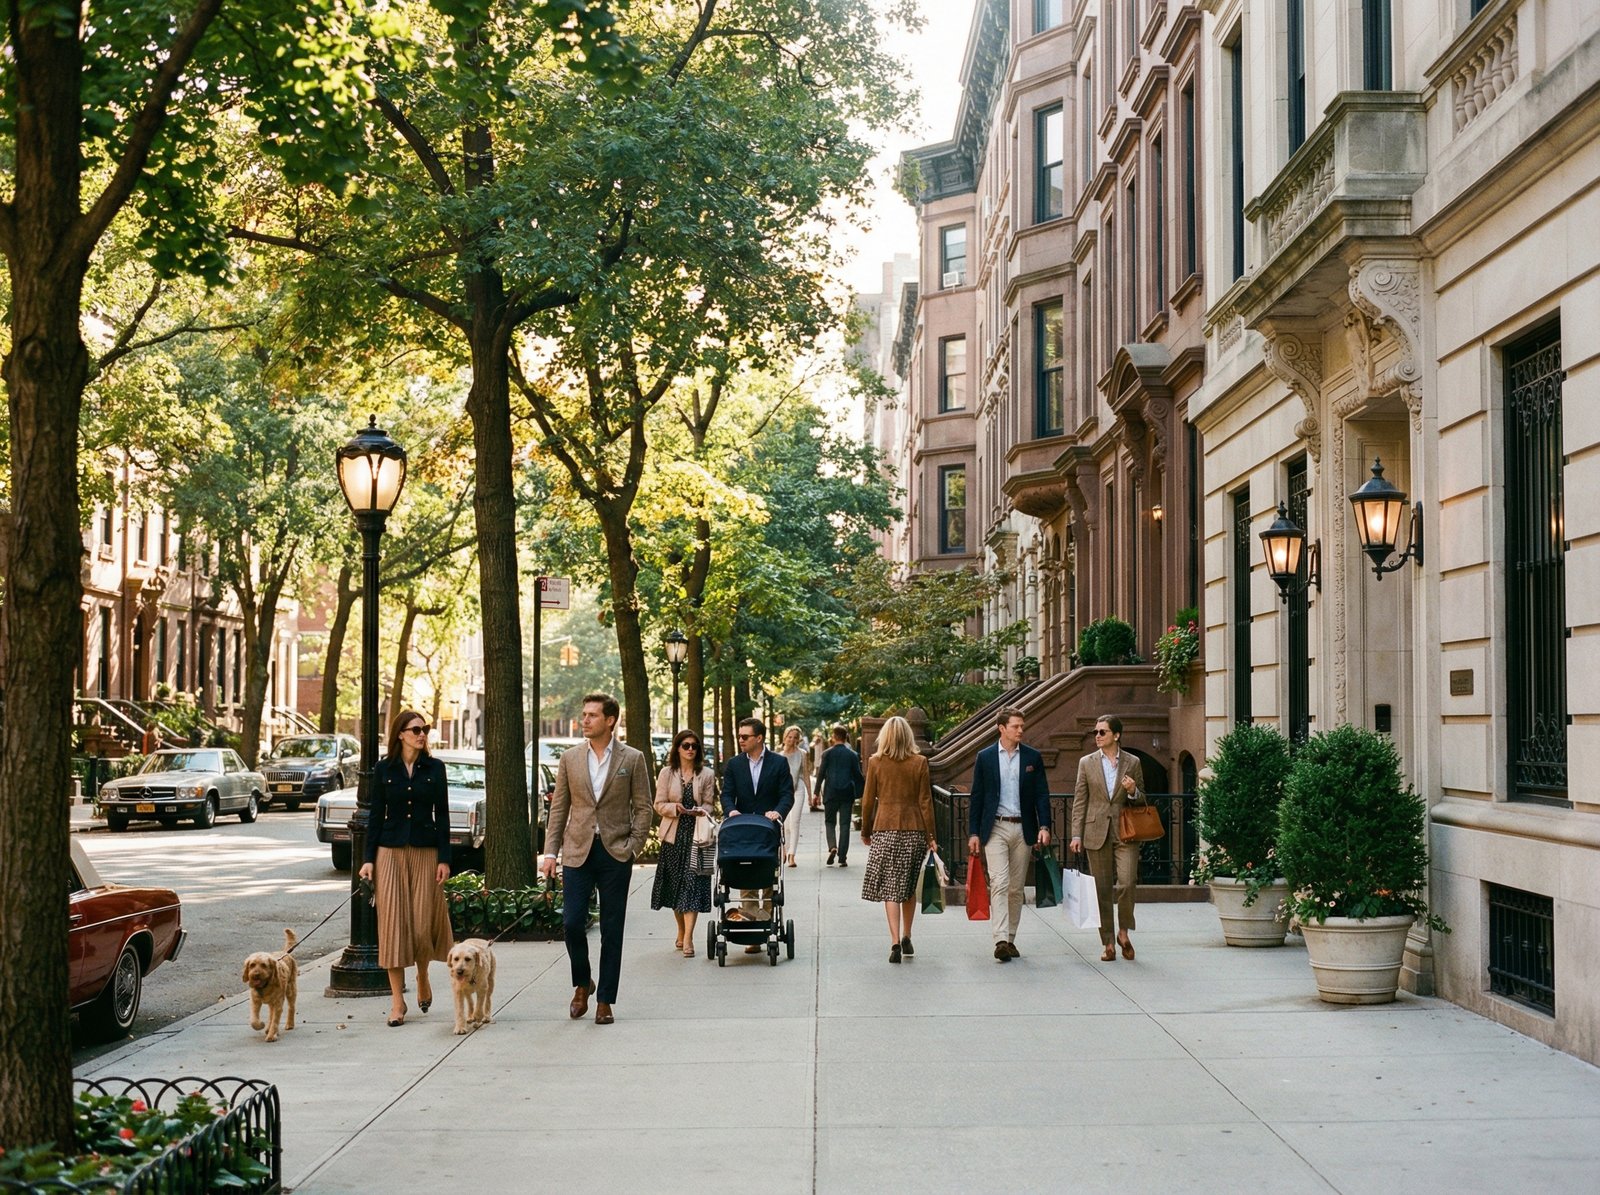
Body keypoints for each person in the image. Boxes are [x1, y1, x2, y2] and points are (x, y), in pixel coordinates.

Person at [540, 693, 653, 1025]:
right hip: (577, 851)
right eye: (584, 714)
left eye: (592, 715)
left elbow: (644, 807)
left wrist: (633, 845)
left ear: (610, 720)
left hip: (616, 852)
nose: (585, 720)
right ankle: (582, 982)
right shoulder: (570, 758)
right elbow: (559, 807)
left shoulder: (632, 758)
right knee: (572, 922)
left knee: (612, 929)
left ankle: (605, 999)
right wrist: (550, 852)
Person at [358, 709, 453, 1027]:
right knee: (393, 926)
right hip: (390, 853)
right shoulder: (384, 769)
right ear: (400, 734)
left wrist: (444, 858)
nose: (421, 734)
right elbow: (375, 817)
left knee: (422, 924)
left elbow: (443, 814)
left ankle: (423, 973)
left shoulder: (435, 768)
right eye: (415, 730)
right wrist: (368, 859)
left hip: (426, 852)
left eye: (424, 729)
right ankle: (398, 1002)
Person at [966, 707, 1052, 962]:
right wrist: (973, 832)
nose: (1020, 730)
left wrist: (1044, 827)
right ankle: (1000, 938)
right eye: (1016, 726)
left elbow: (1042, 794)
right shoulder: (986, 757)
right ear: (1001, 728)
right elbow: (977, 797)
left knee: (1016, 888)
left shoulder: (1032, 758)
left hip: (1023, 827)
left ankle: (1011, 938)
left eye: (1022, 726)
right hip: (996, 827)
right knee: (1000, 882)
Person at [859, 715, 938, 964]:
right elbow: (925, 802)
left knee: (890, 887)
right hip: (913, 829)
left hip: (884, 828)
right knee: (908, 886)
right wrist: (931, 836)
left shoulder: (876, 762)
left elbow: (868, 799)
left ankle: (893, 941)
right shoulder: (919, 762)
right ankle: (907, 935)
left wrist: (865, 830)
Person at [1071, 713, 1147, 962]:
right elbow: (1080, 801)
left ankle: (1123, 933)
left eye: (1102, 732)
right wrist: (1076, 834)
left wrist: (1132, 790)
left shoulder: (1133, 762)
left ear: (1116, 735)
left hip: (1126, 831)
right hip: (1095, 832)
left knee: (1127, 882)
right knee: (1102, 889)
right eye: (1095, 732)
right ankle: (1107, 943)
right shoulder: (1086, 763)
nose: (1097, 736)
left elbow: (1142, 799)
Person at [719, 716, 794, 951]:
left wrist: (777, 812)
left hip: (767, 830)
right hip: (741, 830)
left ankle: (764, 929)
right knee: (745, 877)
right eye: (739, 736)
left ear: (759, 738)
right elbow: (727, 794)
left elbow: (787, 795)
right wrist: (731, 811)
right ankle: (757, 929)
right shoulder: (734, 764)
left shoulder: (778, 763)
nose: (740, 740)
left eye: (745, 736)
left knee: (768, 882)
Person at [651, 729, 716, 957]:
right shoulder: (667, 773)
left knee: (692, 885)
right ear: (677, 748)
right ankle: (680, 929)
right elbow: (658, 804)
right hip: (673, 836)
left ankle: (688, 938)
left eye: (694, 746)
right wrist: (674, 808)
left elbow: (710, 804)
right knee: (675, 886)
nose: (690, 749)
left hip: (697, 837)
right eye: (686, 745)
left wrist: (701, 810)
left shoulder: (706, 774)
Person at [814, 725, 864, 867]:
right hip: (847, 794)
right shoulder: (853, 755)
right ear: (845, 736)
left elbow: (821, 774)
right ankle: (842, 857)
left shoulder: (827, 754)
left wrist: (816, 793)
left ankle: (832, 847)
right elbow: (858, 776)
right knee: (844, 825)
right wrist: (860, 793)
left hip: (830, 793)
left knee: (830, 823)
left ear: (834, 737)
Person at [778, 726, 813, 867]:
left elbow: (805, 775)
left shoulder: (802, 754)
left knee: (795, 822)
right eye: (789, 737)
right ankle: (785, 851)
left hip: (798, 789)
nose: (792, 740)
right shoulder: (779, 756)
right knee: (785, 824)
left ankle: (792, 855)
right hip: (783, 792)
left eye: (795, 737)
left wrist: (811, 795)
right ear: (785, 737)